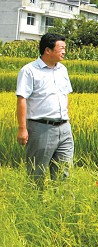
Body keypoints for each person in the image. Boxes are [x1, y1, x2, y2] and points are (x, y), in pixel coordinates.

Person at [15, 32, 74, 183]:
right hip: (41, 127)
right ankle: (36, 204)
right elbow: (22, 99)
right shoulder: (29, 71)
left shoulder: (63, 70)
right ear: (48, 50)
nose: (64, 51)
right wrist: (22, 128)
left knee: (64, 173)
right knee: (37, 173)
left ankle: (63, 204)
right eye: (61, 48)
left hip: (64, 128)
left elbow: (65, 95)